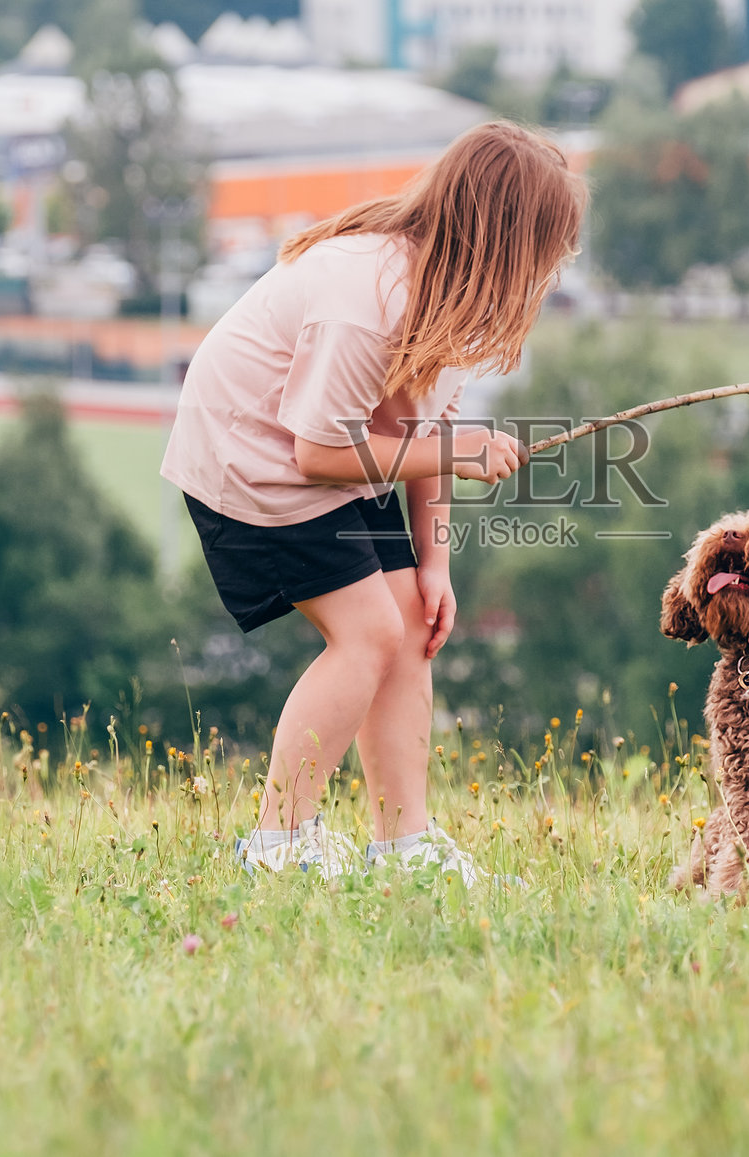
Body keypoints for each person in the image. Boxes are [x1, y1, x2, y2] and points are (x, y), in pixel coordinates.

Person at [162, 121, 586, 883]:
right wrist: (460, 452)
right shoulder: (367, 294)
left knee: (411, 622)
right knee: (366, 635)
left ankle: (403, 846)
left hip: (336, 449)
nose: (545, 273)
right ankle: (277, 843)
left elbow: (429, 428)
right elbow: (318, 453)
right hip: (250, 453)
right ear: (504, 240)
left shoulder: (451, 297)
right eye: (543, 251)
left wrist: (437, 563)